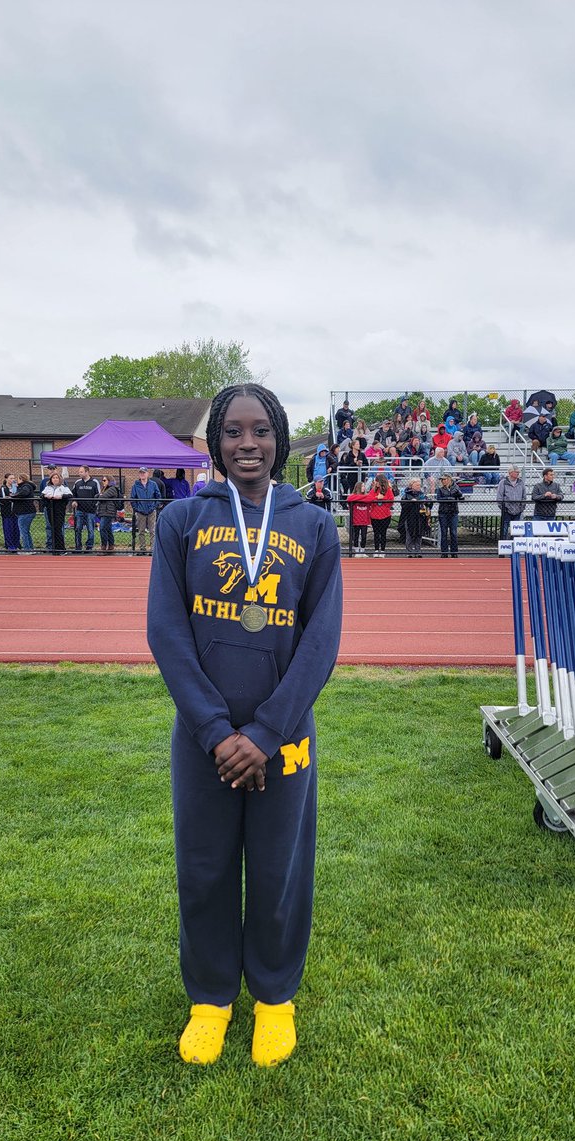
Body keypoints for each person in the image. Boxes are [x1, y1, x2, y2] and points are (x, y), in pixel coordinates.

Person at [147, 383, 342, 1069]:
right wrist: (213, 729)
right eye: (233, 431)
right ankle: (210, 998)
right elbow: (167, 633)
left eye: (261, 431)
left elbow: (321, 640)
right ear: (216, 442)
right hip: (202, 739)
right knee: (203, 867)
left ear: (280, 439)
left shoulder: (313, 525)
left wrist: (263, 734)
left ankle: (274, 997)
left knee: (278, 869)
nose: (247, 444)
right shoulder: (181, 521)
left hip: (283, 739)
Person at [131, 466, 162, 554]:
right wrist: (137, 508)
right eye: (141, 473)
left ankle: (153, 549)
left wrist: (154, 506)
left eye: (144, 473)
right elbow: (133, 498)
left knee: (152, 531)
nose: (142, 474)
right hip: (141, 511)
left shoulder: (153, 484)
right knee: (141, 531)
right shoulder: (135, 485)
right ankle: (142, 549)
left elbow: (158, 496)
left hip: (151, 511)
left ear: (147, 474)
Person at [42, 471, 73, 554]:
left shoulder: (63, 487)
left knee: (58, 529)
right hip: (50, 510)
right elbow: (42, 496)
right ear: (51, 479)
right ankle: (55, 548)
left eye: (57, 478)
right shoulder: (48, 487)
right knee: (53, 529)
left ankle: (61, 549)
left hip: (59, 510)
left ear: (60, 479)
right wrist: (45, 496)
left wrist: (61, 496)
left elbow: (70, 495)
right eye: (53, 478)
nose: (55, 479)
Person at [72, 466, 100, 551]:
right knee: (78, 529)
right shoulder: (77, 482)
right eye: (79, 472)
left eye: (81, 472)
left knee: (90, 530)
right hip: (79, 510)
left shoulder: (95, 482)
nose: (79, 473)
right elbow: (73, 494)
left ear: (87, 472)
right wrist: (74, 501)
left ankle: (89, 546)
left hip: (91, 511)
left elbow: (98, 495)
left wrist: (94, 506)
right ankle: (78, 546)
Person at [399, 478, 428, 558]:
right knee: (409, 534)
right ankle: (409, 552)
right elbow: (403, 506)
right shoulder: (406, 495)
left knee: (419, 535)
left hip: (420, 517)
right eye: (417, 485)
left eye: (419, 485)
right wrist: (411, 502)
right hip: (409, 518)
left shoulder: (422, 494)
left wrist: (426, 502)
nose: (419, 486)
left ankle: (418, 551)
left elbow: (429, 504)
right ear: (412, 485)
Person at [368, 473, 394, 557]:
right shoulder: (373, 490)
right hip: (374, 516)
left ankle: (382, 550)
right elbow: (369, 499)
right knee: (376, 533)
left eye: (376, 481)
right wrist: (376, 498)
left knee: (383, 533)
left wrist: (383, 498)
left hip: (385, 515)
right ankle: (376, 550)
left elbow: (391, 501)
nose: (375, 482)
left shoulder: (388, 490)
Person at [435, 474, 462, 558]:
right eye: (442, 480)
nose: (443, 481)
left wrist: (458, 495)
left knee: (453, 532)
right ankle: (444, 552)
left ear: (449, 479)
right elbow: (439, 499)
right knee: (444, 532)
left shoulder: (456, 488)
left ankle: (454, 552)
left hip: (453, 512)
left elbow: (461, 497)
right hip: (443, 513)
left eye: (445, 479)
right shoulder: (440, 489)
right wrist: (449, 499)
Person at [496, 468, 525, 539]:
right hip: (506, 510)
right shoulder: (503, 483)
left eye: (518, 472)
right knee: (504, 528)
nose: (518, 473)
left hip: (518, 510)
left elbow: (524, 496)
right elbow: (499, 497)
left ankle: (516, 544)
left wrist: (521, 508)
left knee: (516, 530)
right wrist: (504, 508)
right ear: (510, 473)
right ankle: (503, 544)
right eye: (516, 472)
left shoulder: (521, 482)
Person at [13, 473, 38, 553]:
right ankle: (30, 548)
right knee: (26, 531)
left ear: (21, 479)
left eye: (18, 479)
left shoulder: (26, 486)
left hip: (25, 512)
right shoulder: (24, 486)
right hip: (25, 511)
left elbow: (24, 493)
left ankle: (27, 549)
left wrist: (13, 496)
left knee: (23, 531)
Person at [346, 479, 371, 555]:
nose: (364, 487)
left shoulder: (366, 496)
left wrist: (361, 497)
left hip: (364, 521)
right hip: (356, 520)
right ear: (358, 487)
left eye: (364, 486)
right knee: (355, 536)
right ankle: (357, 551)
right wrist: (363, 497)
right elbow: (349, 498)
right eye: (362, 486)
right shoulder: (353, 496)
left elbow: (371, 498)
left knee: (364, 536)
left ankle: (362, 551)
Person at [97, 476, 121, 552]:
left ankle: (104, 545)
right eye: (102, 480)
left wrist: (100, 496)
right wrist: (99, 496)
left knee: (102, 528)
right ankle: (111, 545)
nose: (103, 482)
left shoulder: (112, 489)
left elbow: (102, 497)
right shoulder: (104, 489)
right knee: (108, 529)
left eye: (104, 480)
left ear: (109, 481)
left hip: (108, 512)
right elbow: (97, 496)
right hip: (103, 511)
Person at [0, 473, 20, 553]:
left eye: (13, 478)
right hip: (7, 512)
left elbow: (18, 497)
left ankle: (17, 545)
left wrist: (12, 497)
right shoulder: (3, 488)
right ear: (6, 479)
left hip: (16, 512)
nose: (13, 480)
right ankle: (10, 546)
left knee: (16, 529)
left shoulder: (16, 487)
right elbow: (3, 499)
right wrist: (12, 497)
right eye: (11, 478)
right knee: (8, 529)